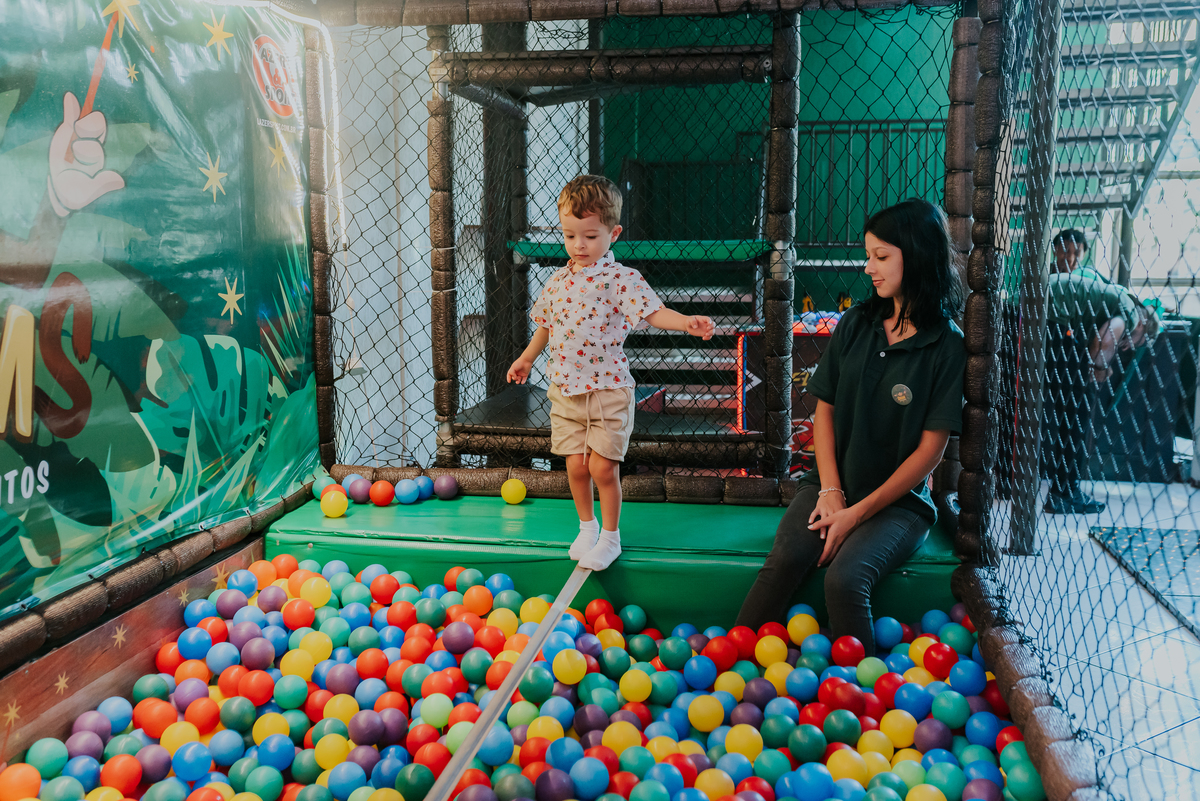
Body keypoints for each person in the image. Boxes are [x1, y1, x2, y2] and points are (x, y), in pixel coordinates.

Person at [736, 198, 966, 653]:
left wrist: (856, 515)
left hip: (899, 506)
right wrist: (831, 491)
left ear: (917, 254)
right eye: (868, 256)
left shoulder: (947, 344)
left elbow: (929, 453)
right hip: (830, 484)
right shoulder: (858, 323)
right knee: (788, 557)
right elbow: (824, 410)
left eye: (881, 257)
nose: (868, 269)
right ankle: (727, 662)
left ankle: (862, 699)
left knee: (845, 580)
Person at [506, 175, 715, 571]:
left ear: (613, 232)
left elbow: (653, 312)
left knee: (603, 466)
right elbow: (547, 326)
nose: (578, 245)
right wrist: (527, 357)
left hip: (608, 389)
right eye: (570, 236)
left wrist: (687, 322)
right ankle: (586, 527)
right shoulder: (558, 282)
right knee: (575, 465)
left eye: (589, 236)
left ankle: (610, 536)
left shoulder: (621, 279)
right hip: (564, 388)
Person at [1041, 271, 1160, 514]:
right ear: (1142, 326)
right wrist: (1100, 368)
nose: (1127, 347)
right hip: (1052, 318)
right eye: (1133, 343)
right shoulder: (1129, 313)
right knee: (1078, 409)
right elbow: (1104, 341)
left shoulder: (1112, 298)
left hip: (1029, 307)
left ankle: (1014, 482)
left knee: (1066, 403)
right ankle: (1064, 492)